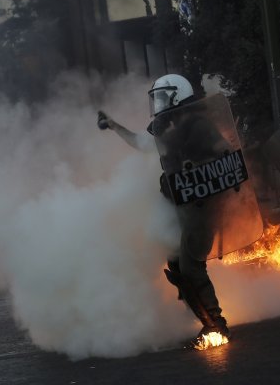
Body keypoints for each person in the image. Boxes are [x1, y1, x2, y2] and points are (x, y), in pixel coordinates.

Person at [98, 74, 259, 350]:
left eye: (162, 97)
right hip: (182, 206)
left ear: (177, 96)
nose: (158, 104)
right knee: (176, 263)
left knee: (191, 266)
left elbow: (225, 154)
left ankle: (216, 326)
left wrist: (200, 166)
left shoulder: (198, 125)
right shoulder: (170, 130)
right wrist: (114, 125)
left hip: (202, 207)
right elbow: (142, 143)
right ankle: (203, 319)